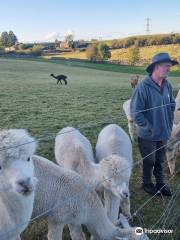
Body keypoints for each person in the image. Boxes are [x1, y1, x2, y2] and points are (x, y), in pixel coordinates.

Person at [131, 52, 178, 196]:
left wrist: (169, 123)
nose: (169, 69)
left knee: (160, 159)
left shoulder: (167, 85)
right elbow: (136, 112)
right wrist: (148, 127)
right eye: (167, 66)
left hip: (163, 132)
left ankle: (160, 183)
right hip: (148, 135)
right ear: (156, 67)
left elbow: (171, 104)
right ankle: (147, 183)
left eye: (170, 66)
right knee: (150, 160)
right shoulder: (143, 87)